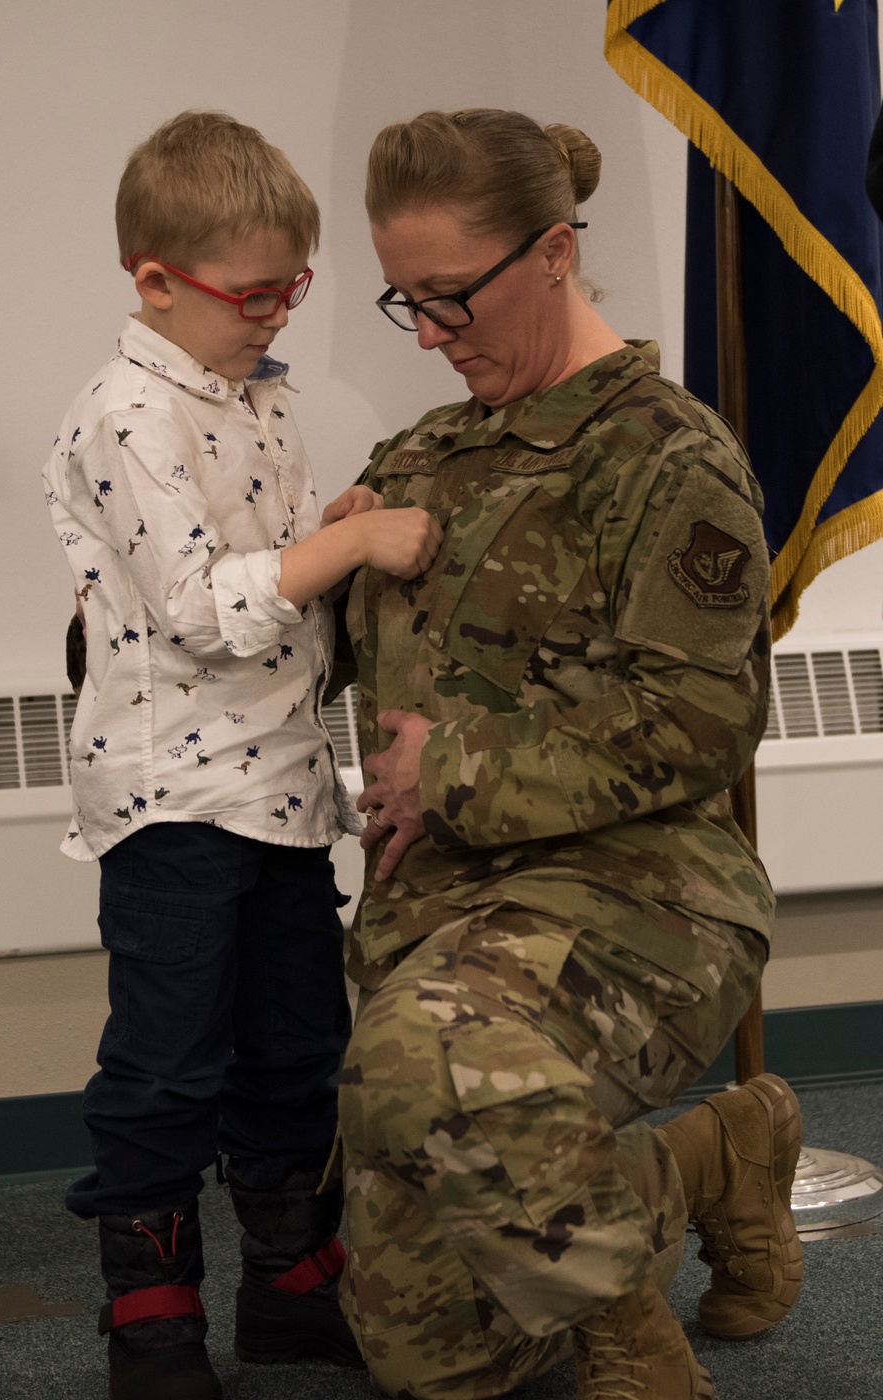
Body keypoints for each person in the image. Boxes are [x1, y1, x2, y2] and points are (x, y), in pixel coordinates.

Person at [335, 109, 802, 1400]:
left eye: (450, 298)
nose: (431, 335)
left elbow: (706, 721)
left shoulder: (666, 456)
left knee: (417, 1054)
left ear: (552, 253)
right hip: (439, 924)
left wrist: (459, 770)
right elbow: (294, 645)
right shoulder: (422, 457)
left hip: (641, 902)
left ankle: (630, 1345)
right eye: (405, 303)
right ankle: (715, 1159)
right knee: (434, 1355)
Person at [42, 110, 440, 1400]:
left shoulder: (254, 400)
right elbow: (207, 608)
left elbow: (274, 588)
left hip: (280, 793)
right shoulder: (124, 415)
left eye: (293, 289)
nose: (276, 316)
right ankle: (149, 1312)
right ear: (153, 281)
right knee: (167, 1061)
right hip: (173, 800)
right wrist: (352, 551)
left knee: (291, 1043)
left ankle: (288, 1283)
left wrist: (325, 528)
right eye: (252, 294)